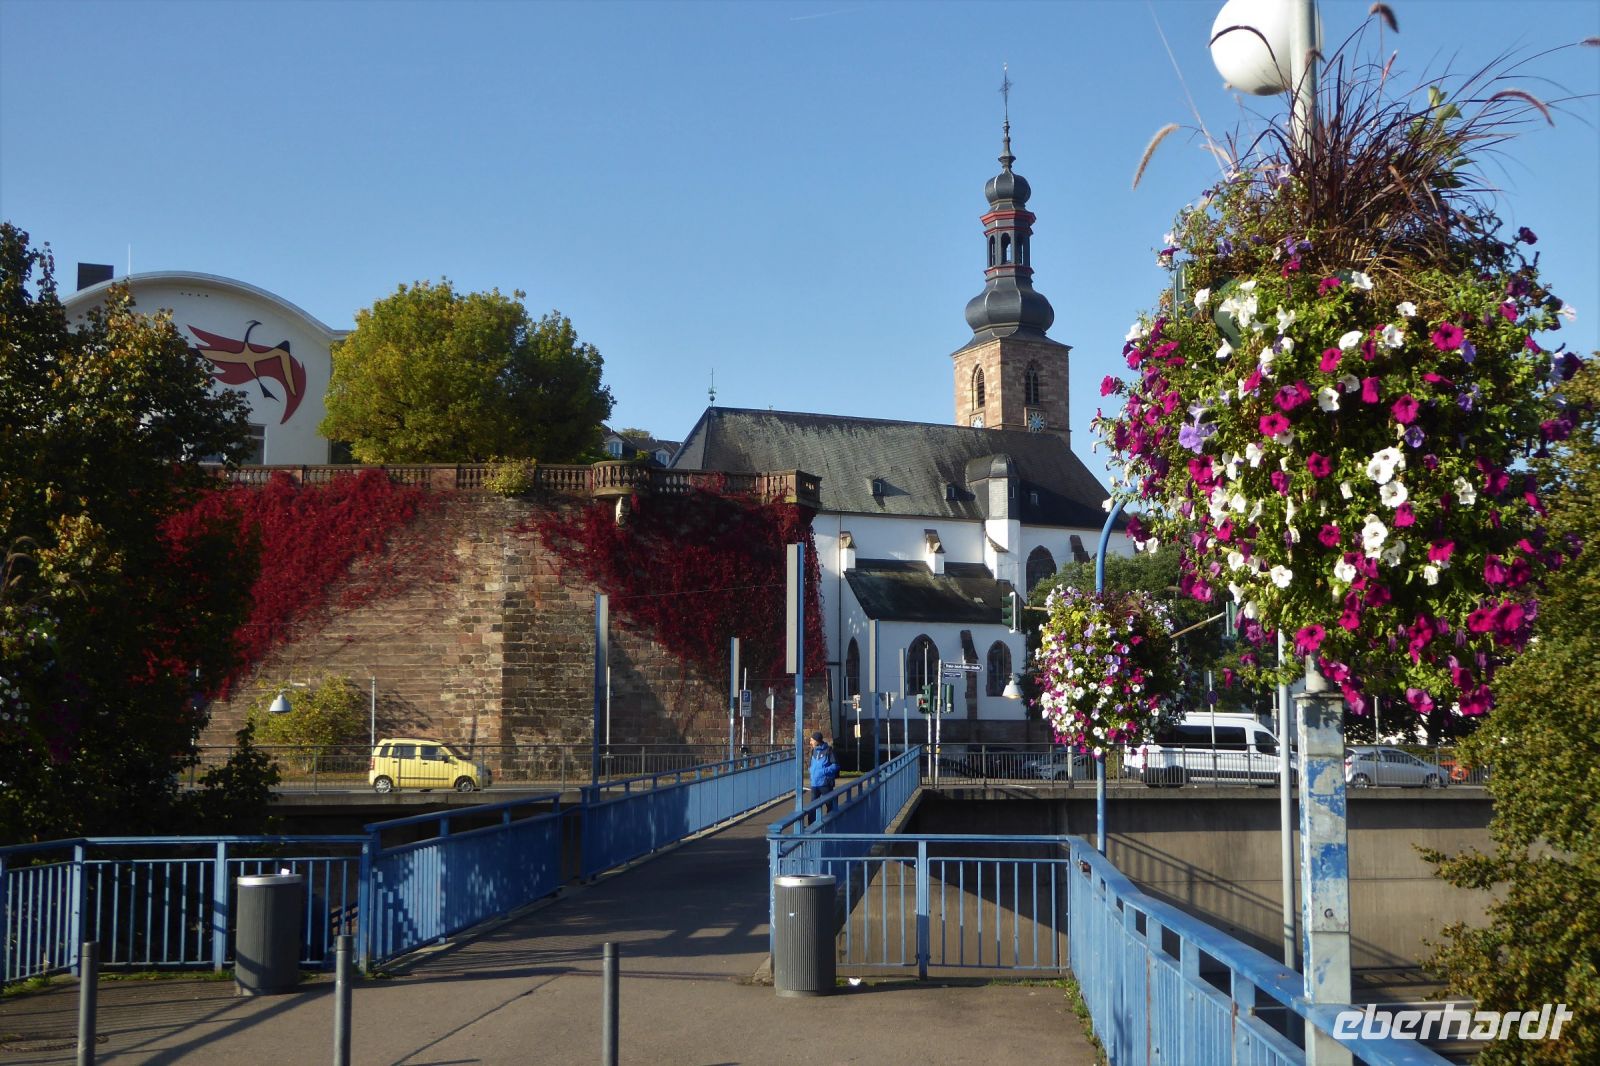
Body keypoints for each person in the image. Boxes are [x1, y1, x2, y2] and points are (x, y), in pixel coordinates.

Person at [807, 731, 839, 822]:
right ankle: (811, 826)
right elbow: (811, 765)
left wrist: (823, 772)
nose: (810, 742)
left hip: (825, 783)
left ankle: (831, 823)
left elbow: (835, 766)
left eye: (812, 740)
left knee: (830, 804)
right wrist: (811, 771)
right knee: (812, 806)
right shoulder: (813, 751)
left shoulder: (829, 751)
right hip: (814, 783)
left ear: (817, 740)